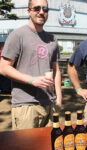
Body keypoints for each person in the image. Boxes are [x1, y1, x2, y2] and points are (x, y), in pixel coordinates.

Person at [0, 0, 62, 130]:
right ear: (29, 11)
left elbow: (56, 70)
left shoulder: (52, 39)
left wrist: (59, 98)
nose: (41, 12)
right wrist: (32, 80)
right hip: (25, 106)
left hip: (49, 104)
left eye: (45, 9)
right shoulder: (17, 35)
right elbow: (3, 67)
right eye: (37, 8)